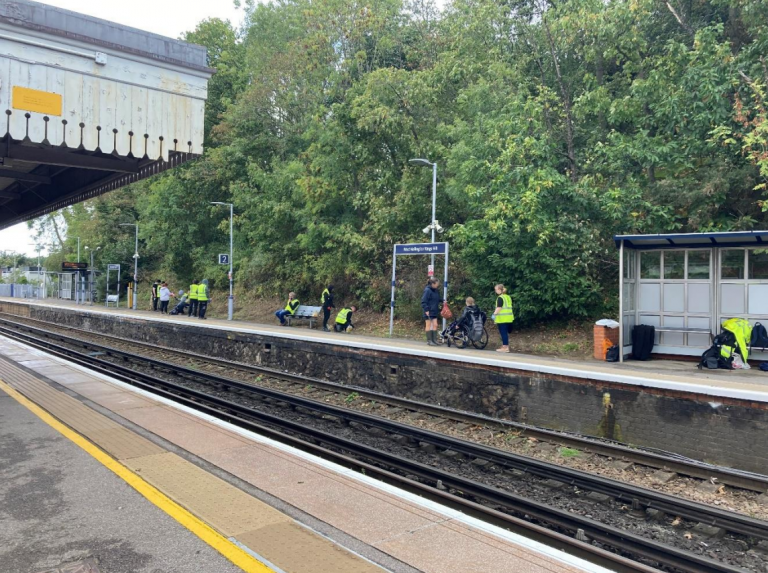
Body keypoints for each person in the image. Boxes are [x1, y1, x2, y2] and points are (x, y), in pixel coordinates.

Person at [492, 284, 515, 353]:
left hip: (502, 318)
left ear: (499, 290)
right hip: (509, 318)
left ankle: (505, 347)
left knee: (503, 333)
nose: (495, 291)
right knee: (505, 333)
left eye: (496, 290)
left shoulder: (500, 298)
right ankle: (505, 346)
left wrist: (494, 314)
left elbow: (499, 307)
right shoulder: (508, 297)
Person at [421, 277, 441, 346]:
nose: (437, 285)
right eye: (436, 284)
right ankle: (429, 340)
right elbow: (424, 301)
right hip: (428, 310)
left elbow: (437, 298)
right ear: (433, 284)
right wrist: (426, 309)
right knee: (428, 325)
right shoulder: (427, 290)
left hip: (434, 310)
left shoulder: (436, 290)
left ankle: (434, 340)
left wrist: (442, 300)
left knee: (435, 325)